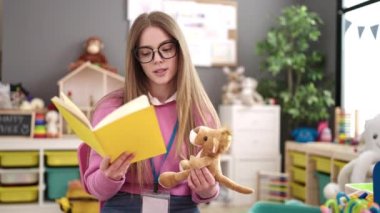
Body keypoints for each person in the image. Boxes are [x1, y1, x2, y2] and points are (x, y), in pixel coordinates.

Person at [82, 11, 221, 213]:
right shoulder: (112, 108)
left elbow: (209, 191)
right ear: (136, 59)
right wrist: (108, 177)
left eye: (166, 49)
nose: (157, 59)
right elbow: (97, 191)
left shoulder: (201, 111)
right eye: (146, 53)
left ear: (180, 50)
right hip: (124, 204)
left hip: (180, 207)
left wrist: (208, 189)